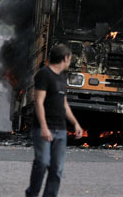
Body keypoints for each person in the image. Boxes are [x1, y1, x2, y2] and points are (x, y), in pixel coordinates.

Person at [25, 44, 84, 197]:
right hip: (43, 128)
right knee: (42, 162)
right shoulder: (44, 74)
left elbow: (64, 103)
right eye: (70, 58)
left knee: (56, 168)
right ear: (65, 58)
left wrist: (75, 123)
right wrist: (44, 127)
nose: (70, 61)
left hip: (61, 129)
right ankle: (32, 193)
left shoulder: (62, 77)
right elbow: (38, 102)